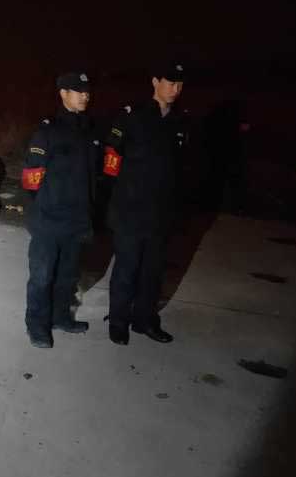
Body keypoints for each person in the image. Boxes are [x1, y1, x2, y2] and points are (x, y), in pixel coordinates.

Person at [102, 61, 189, 345]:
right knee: (126, 269)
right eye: (170, 82)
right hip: (130, 211)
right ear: (155, 82)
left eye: (180, 84)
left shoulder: (181, 122)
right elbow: (111, 160)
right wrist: (117, 200)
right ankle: (118, 322)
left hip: (161, 214)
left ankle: (145, 320)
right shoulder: (132, 116)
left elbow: (184, 169)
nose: (175, 89)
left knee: (152, 272)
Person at [21, 72, 101, 348]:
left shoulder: (91, 131)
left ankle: (60, 317)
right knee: (42, 277)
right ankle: (36, 325)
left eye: (87, 90)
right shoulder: (47, 132)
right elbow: (30, 181)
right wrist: (45, 208)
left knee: (67, 276)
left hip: (77, 220)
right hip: (49, 220)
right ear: (63, 93)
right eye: (78, 90)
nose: (85, 95)